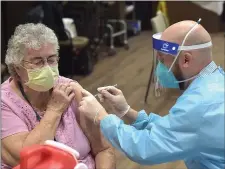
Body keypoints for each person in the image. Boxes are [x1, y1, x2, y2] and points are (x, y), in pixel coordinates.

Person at [77, 20, 225, 169]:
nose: (159, 68)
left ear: (186, 59)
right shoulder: (214, 81)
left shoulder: (199, 104)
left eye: (162, 59)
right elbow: (174, 129)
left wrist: (101, 117)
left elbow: (144, 148)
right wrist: (127, 112)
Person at [1, 23, 115, 169]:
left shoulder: (71, 89)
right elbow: (27, 159)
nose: (47, 68)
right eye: (38, 62)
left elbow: (104, 149)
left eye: (51, 59)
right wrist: (55, 110)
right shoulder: (5, 102)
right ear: (17, 67)